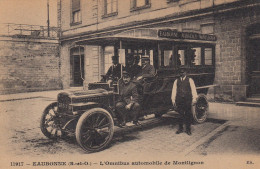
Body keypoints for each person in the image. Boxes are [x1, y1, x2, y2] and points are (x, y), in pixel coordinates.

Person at [171, 69, 197, 135]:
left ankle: (188, 129)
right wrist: (173, 100)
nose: (181, 73)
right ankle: (180, 129)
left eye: (183, 72)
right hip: (179, 100)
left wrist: (194, 99)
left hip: (187, 100)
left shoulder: (190, 80)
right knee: (180, 115)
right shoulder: (176, 81)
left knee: (188, 114)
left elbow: (193, 90)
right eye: (180, 72)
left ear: (186, 72)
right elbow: (174, 91)